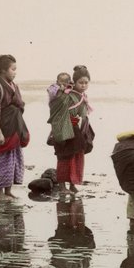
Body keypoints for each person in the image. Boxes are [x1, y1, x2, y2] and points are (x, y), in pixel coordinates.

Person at [0, 54, 29, 200]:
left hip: (14, 127)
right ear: (2, 70)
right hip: (3, 128)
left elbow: (20, 106)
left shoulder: (14, 86)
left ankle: (8, 191)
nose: (15, 72)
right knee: (3, 159)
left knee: (14, 158)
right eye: (12, 69)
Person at [48, 65, 93, 195]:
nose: (83, 85)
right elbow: (56, 105)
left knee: (77, 155)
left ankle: (73, 184)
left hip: (76, 130)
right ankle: (62, 186)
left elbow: (83, 114)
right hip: (63, 129)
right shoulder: (65, 94)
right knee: (63, 157)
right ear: (74, 82)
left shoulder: (82, 96)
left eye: (86, 82)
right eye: (81, 82)